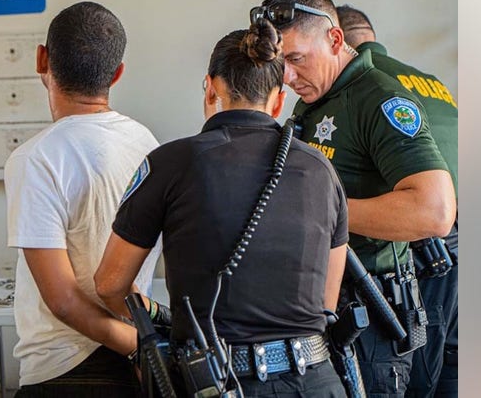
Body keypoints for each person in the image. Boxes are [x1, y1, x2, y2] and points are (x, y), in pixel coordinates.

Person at [94, 22, 350, 397]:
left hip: (215, 382)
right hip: (314, 380)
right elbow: (325, 302)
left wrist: (161, 318)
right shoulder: (321, 170)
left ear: (210, 87)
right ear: (278, 100)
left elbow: (110, 284)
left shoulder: (171, 162)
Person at [254, 0, 457, 397]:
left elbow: (434, 211)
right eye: (281, 63)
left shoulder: (379, 99)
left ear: (335, 39)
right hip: (328, 310)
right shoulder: (318, 98)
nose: (288, 76)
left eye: (296, 59)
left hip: (372, 320)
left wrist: (319, 211)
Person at [5, 1, 162, 398]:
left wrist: (135, 348)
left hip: (62, 369)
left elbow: (62, 300)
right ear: (118, 73)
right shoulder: (146, 143)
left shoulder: (36, 157)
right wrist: (144, 347)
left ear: (42, 59)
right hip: (135, 357)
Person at [337, 5, 458, 398]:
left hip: (425, 252)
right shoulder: (430, 81)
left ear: (335, 40)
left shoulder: (364, 87)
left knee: (418, 376)